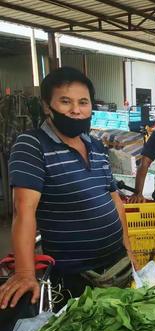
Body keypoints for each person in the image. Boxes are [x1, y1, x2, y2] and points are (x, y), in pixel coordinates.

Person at [0, 67, 136, 309]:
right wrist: (24, 272)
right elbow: (24, 211)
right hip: (75, 275)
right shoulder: (32, 145)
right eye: (65, 101)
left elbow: (115, 201)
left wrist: (128, 251)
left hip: (116, 264)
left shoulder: (94, 144)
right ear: (46, 106)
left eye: (83, 102)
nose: (76, 110)